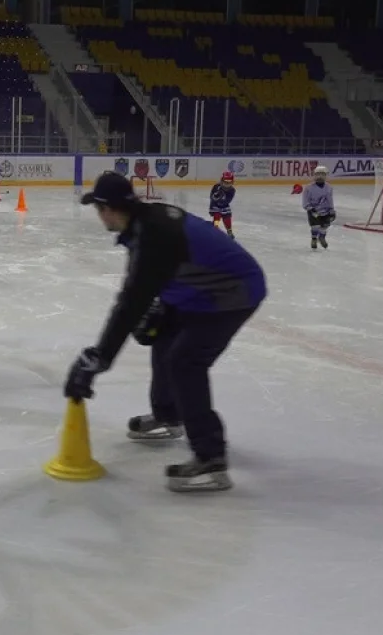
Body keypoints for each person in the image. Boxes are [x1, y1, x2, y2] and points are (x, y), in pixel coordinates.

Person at [65, 172, 266, 492]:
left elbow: (131, 302)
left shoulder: (153, 235)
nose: (98, 216)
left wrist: (99, 358)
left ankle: (211, 458)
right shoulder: (146, 224)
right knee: (163, 337)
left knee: (185, 362)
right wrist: (165, 306)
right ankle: (168, 416)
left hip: (231, 292)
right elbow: (165, 274)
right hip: (198, 290)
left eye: (99, 208)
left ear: (110, 208)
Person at [302, 165, 336, 249]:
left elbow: (330, 199)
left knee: (325, 226)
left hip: (326, 211)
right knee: (315, 225)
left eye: (322, 174)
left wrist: (332, 210)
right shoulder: (308, 188)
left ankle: (322, 237)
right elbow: (305, 200)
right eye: (318, 174)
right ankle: (314, 239)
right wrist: (309, 208)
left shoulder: (329, 187)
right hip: (314, 210)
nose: (320, 177)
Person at [208, 171, 236, 238]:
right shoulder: (216, 186)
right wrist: (215, 197)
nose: (227, 184)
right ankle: (215, 228)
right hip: (215, 205)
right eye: (225, 182)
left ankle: (229, 231)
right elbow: (211, 197)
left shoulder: (232, 190)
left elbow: (228, 200)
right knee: (217, 216)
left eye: (229, 182)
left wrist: (222, 199)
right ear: (222, 180)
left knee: (227, 217)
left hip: (224, 206)